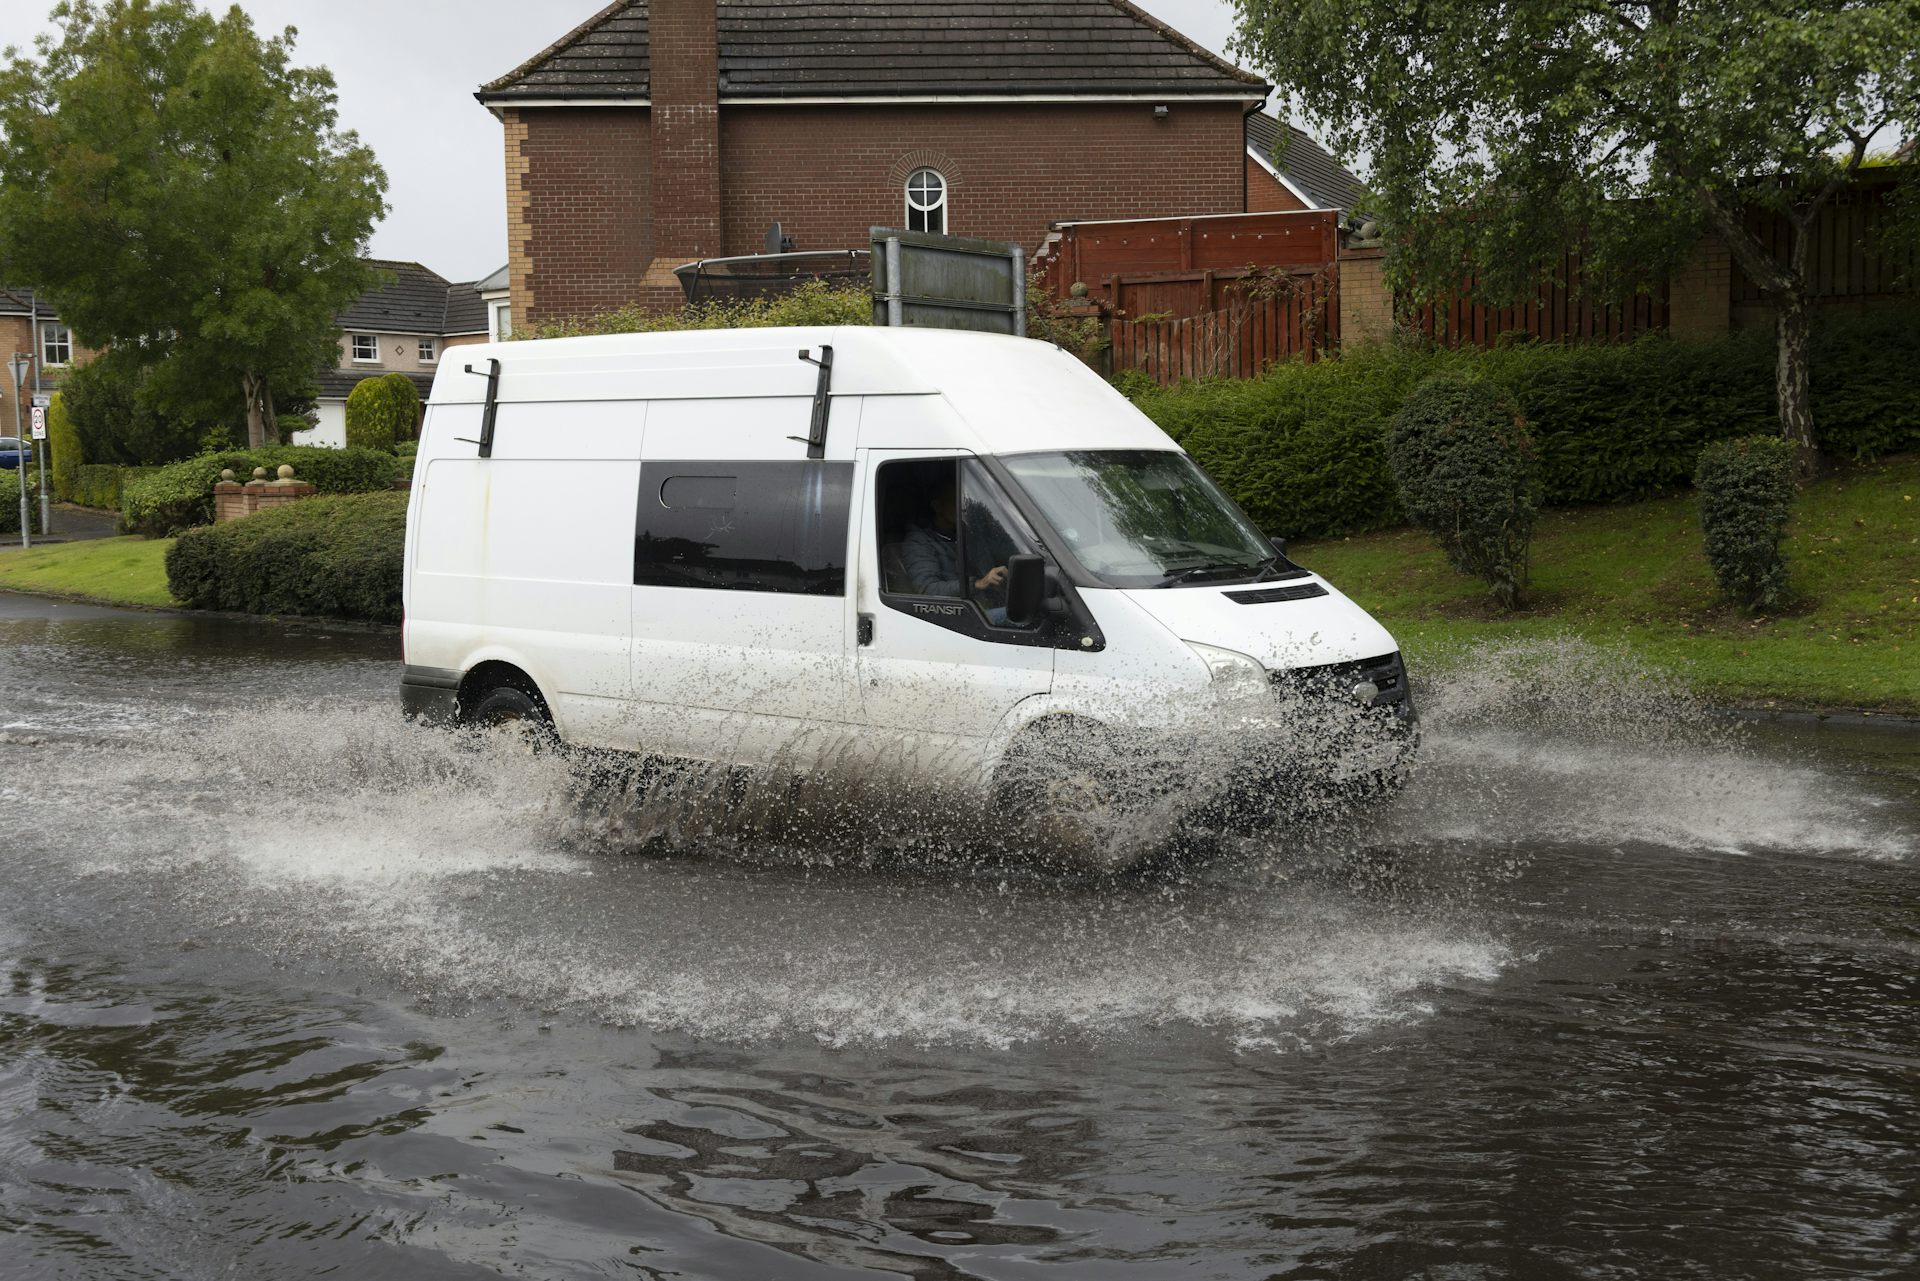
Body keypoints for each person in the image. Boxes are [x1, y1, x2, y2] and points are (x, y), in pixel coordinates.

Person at [900, 474, 1010, 608]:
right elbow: (927, 589)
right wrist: (978, 583)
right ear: (937, 506)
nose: (964, 507)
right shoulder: (918, 541)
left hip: (987, 603)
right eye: (956, 501)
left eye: (966, 500)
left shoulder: (970, 534)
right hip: (957, 613)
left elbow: (1005, 551)